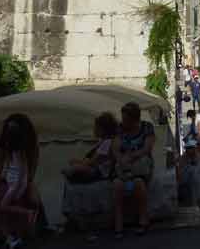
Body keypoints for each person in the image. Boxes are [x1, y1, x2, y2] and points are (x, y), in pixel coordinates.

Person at [0, 114, 40, 249]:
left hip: (19, 182)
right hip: (9, 180)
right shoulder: (6, 143)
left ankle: (18, 236)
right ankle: (10, 237)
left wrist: (27, 186)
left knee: (28, 201)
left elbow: (31, 169)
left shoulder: (29, 146)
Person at [112, 102, 155, 238]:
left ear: (134, 119)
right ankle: (119, 223)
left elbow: (147, 148)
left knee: (138, 184)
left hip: (139, 166)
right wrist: (121, 159)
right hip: (124, 167)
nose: (123, 121)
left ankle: (143, 219)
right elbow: (115, 148)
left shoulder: (147, 128)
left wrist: (131, 157)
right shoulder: (120, 129)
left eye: (126, 119)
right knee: (117, 186)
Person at [62, 112, 118, 183]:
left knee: (76, 167)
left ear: (103, 130)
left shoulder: (107, 143)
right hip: (96, 168)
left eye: (96, 127)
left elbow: (94, 161)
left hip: (100, 172)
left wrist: (81, 163)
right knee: (74, 163)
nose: (94, 130)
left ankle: (74, 172)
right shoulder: (103, 141)